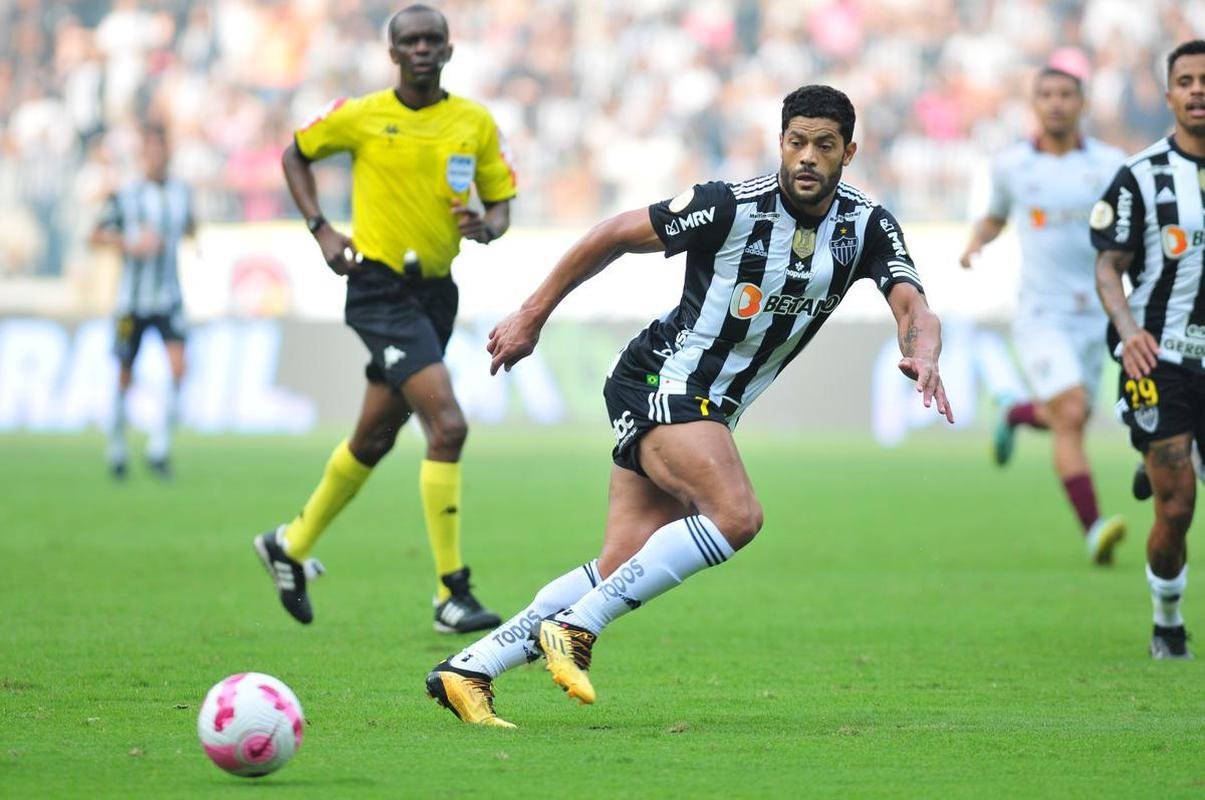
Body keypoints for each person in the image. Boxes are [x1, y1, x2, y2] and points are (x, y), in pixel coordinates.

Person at [425, 85, 955, 727]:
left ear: (849, 152)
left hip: (710, 404)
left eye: (824, 145)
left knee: (620, 565)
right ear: (780, 142)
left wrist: (924, 354)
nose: (808, 157)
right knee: (737, 515)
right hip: (664, 378)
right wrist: (532, 315)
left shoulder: (866, 225)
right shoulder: (728, 205)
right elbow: (614, 234)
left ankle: (471, 668)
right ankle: (576, 628)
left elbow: (913, 307)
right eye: (797, 142)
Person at [253, 4, 515, 632]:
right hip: (379, 289)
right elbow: (294, 154)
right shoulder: (362, 115)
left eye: (432, 40)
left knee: (374, 438)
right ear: (393, 53)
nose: (422, 49)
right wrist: (321, 229)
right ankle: (451, 593)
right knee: (447, 427)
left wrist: (485, 227)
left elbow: (502, 206)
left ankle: (288, 545)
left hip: (435, 294)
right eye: (410, 41)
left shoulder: (474, 123)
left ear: (449, 50)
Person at [959, 64, 1127, 564]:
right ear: (1035, 104)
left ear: (1083, 104)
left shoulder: (1111, 164)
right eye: (1047, 94)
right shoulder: (1012, 165)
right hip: (1042, 312)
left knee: (1069, 415)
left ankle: (1014, 411)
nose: (1056, 103)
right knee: (1071, 414)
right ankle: (1094, 529)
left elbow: (1130, 229)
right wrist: (976, 241)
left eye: (1066, 94)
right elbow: (995, 216)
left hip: (1097, 312)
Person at [1092, 39, 1205, 660]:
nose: (1198, 90)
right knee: (1178, 505)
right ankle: (1167, 620)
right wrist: (1129, 328)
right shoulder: (1140, 176)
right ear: (1168, 95)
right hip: (1159, 359)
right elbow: (1109, 265)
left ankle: (1161, 448)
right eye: (1186, 81)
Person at [90, 122, 195, 480]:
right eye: (150, 150)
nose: (156, 156)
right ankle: (117, 446)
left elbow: (190, 226)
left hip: (169, 298)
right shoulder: (127, 195)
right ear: (143, 154)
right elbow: (96, 234)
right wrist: (130, 243)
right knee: (124, 373)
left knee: (179, 369)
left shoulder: (181, 193)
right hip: (130, 302)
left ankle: (158, 448)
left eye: (160, 149)